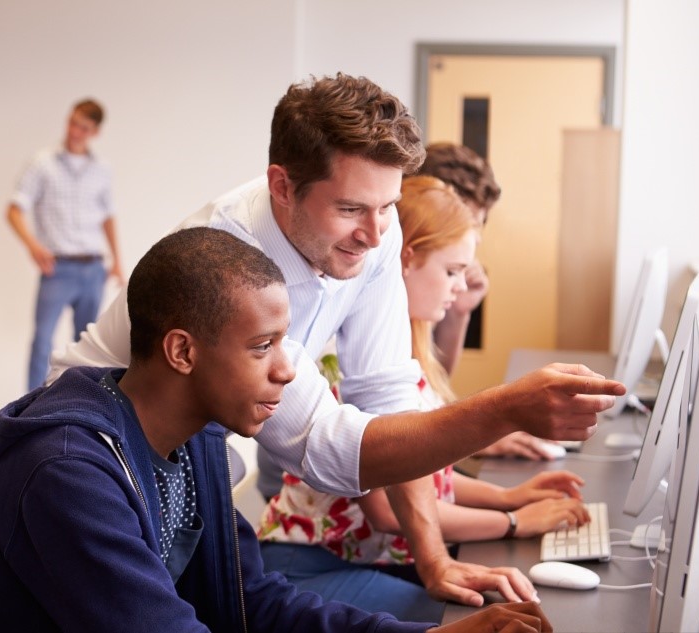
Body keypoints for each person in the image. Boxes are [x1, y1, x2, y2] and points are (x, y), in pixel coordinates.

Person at [49, 73, 626, 607]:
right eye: (350, 208)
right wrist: (507, 409)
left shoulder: (373, 226)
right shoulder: (231, 258)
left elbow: (389, 398)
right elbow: (332, 453)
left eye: (388, 207)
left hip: (195, 457)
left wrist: (432, 560)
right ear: (282, 185)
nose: (376, 235)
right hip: (105, 451)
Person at [0, 227, 554, 633]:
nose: (286, 369)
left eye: (285, 341)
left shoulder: (193, 441)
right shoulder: (66, 475)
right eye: (262, 346)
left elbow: (250, 599)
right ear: (181, 351)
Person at [257, 176, 590, 621]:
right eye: (451, 271)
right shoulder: (345, 365)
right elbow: (386, 510)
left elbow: (429, 479)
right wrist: (514, 521)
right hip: (306, 570)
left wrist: (509, 497)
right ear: (406, 260)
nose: (457, 291)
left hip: (361, 557)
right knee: (471, 616)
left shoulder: (407, 358)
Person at [418, 143, 553, 461]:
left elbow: (432, 389)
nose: (473, 239)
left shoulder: (441, 282)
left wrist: (460, 311)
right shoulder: (409, 280)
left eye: (478, 225)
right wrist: (475, 439)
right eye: (464, 222)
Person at [6, 98, 124, 391]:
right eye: (72, 123)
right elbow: (14, 209)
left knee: (88, 347)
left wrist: (116, 260)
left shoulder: (101, 169)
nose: (75, 132)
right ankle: (31, 409)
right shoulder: (42, 163)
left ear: (95, 132)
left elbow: (107, 216)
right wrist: (33, 246)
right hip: (57, 267)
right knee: (43, 339)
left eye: (83, 127)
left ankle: (77, 407)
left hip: (93, 267)